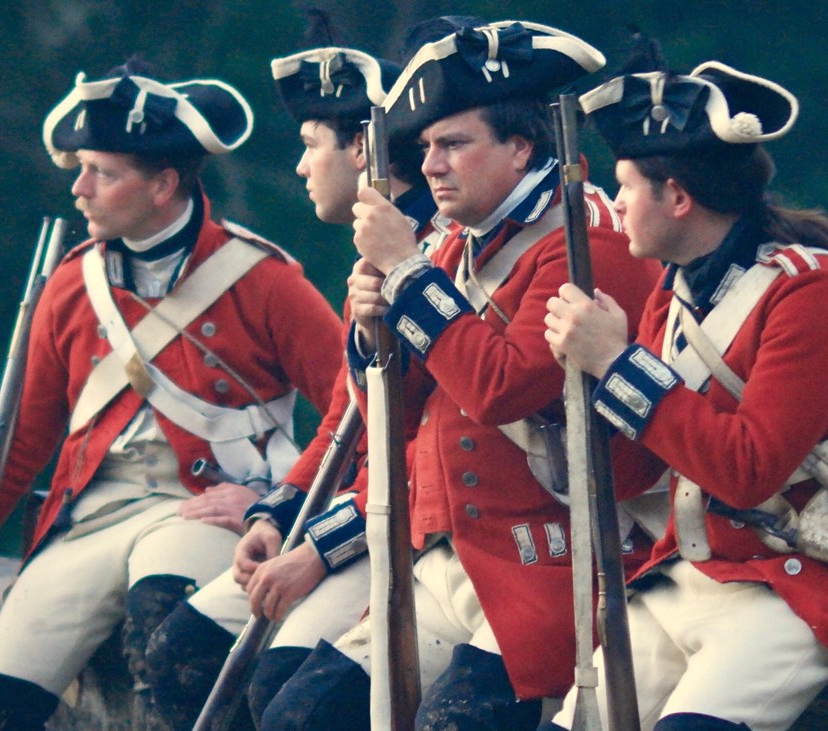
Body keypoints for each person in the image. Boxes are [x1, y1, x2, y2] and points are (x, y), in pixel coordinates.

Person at [541, 58, 828, 731]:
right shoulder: (675, 294)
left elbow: (747, 467)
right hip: (706, 573)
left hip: (814, 574)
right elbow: (633, 471)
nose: (613, 207)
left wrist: (618, 365)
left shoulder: (812, 293)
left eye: (626, 187)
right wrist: (582, 387)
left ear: (677, 197)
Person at [0, 59, 345, 729]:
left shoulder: (265, 280)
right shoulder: (68, 282)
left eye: (103, 173)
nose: (80, 188)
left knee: (164, 642)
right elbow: (19, 437)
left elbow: (357, 406)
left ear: (164, 183)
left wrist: (276, 497)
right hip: (90, 516)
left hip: (201, 508)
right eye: (82, 168)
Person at [261, 19, 662, 730]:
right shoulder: (455, 248)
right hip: (452, 556)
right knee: (299, 714)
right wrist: (370, 328)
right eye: (426, 147)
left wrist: (410, 274)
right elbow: (398, 412)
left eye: (454, 144)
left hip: (551, 563)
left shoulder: (583, 236)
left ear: (520, 145)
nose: (433, 165)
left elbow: (504, 387)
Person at [143, 22, 452, 728]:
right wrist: (276, 514)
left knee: (287, 690)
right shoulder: (373, 261)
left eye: (312, 145)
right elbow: (347, 423)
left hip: (419, 530)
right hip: (361, 517)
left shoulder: (434, 259)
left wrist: (319, 544)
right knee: (182, 651)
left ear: (362, 147)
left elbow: (422, 451)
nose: (301, 167)